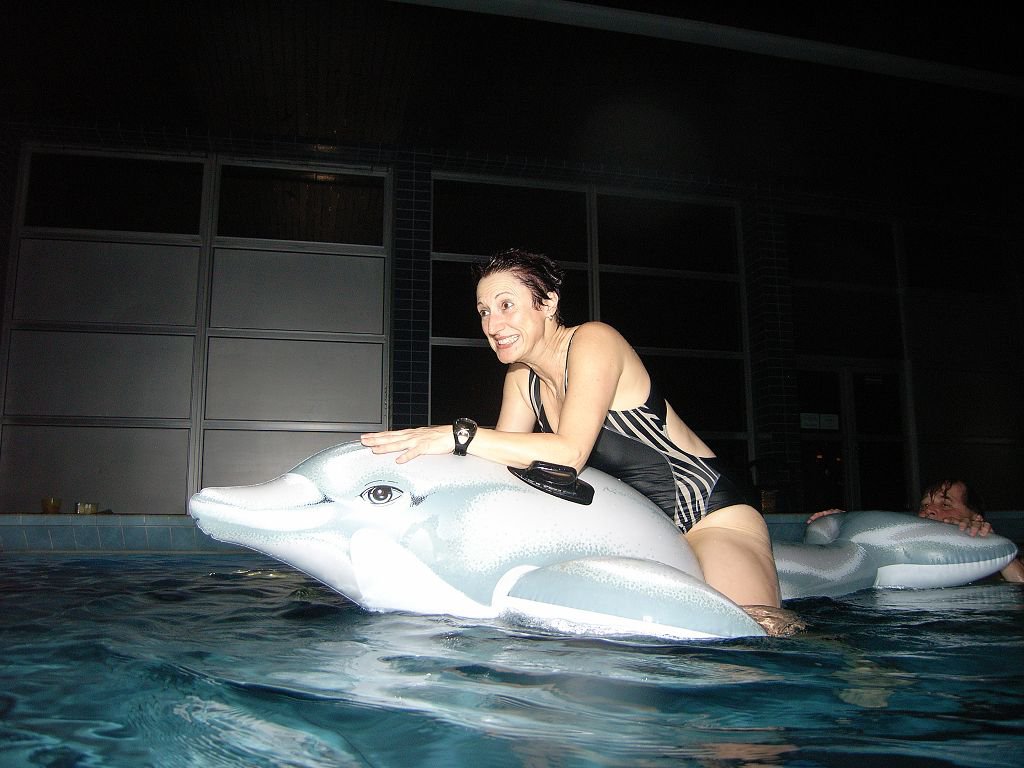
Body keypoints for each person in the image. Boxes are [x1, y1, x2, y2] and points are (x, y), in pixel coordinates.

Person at [362, 248, 796, 634]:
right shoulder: (521, 379)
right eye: (483, 311)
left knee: (747, 639)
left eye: (506, 305)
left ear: (548, 303)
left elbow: (569, 453)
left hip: (708, 517)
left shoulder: (594, 341)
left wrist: (457, 434)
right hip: (639, 531)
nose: (493, 324)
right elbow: (501, 467)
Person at [807, 479, 1024, 582]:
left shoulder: (1000, 559)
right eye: (924, 505)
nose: (929, 510)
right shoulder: (904, 554)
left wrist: (996, 547)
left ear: (976, 517)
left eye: (945, 504)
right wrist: (842, 524)